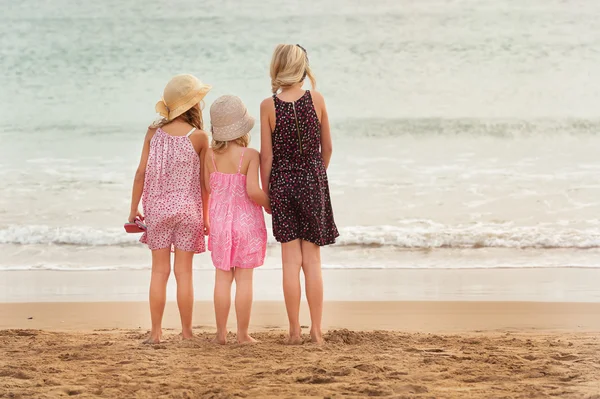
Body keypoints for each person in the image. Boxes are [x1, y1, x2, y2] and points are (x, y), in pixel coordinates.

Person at [260, 44, 339, 345]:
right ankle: (316, 331)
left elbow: (266, 157)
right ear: (303, 67)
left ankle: (294, 331)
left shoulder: (269, 106)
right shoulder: (316, 100)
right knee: (313, 263)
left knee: (290, 263)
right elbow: (327, 148)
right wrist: (317, 175)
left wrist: (267, 192)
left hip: (281, 184)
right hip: (312, 182)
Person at [128, 74, 211, 343]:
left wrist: (133, 210)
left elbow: (141, 173)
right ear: (193, 105)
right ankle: (187, 333)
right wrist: (206, 217)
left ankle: (156, 333)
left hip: (158, 211)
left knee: (159, 272)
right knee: (184, 273)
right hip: (189, 212)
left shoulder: (153, 133)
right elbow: (204, 184)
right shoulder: (199, 137)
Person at [204, 95, 269, 344]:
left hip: (220, 223)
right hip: (246, 224)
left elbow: (208, 188)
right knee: (244, 279)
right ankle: (242, 335)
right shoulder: (250, 155)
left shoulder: (209, 156)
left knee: (222, 278)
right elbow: (253, 191)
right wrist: (269, 205)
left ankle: (220, 334)